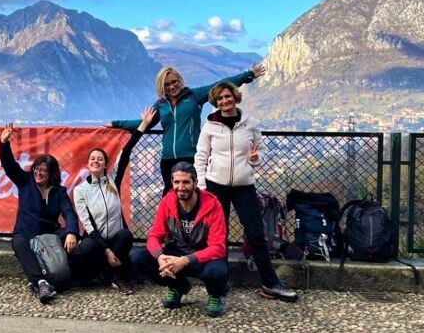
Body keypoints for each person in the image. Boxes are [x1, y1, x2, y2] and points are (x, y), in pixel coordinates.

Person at [194, 82, 298, 302]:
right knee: (217, 236)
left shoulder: (251, 124)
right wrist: (202, 187)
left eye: (228, 96)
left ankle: (270, 284)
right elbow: (201, 157)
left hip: (244, 185)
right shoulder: (210, 126)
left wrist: (255, 159)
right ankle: (219, 281)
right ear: (215, 102)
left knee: (256, 233)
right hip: (215, 185)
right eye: (220, 98)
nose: (225, 101)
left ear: (235, 97)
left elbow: (261, 152)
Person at [112, 63, 266, 191]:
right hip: (167, 159)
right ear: (162, 87)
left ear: (180, 80)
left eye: (174, 81)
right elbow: (143, 123)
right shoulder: (161, 105)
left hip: (190, 156)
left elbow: (220, 85)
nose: (172, 86)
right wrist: (116, 124)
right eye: (167, 84)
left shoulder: (194, 96)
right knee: (170, 198)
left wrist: (248, 75)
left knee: (192, 196)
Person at [73, 106, 157, 295]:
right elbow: (88, 226)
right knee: (87, 247)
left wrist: (143, 125)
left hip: (116, 239)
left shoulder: (113, 179)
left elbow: (126, 150)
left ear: (105, 164)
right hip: (96, 240)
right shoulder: (80, 190)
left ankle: (114, 276)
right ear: (87, 164)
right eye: (92, 159)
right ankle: (105, 271)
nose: (96, 161)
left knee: (126, 235)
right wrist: (107, 251)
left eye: (100, 159)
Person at [130, 162, 230, 317]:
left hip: (202, 257)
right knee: (137, 258)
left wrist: (186, 260)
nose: (181, 187)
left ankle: (216, 294)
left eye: (186, 182)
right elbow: (154, 236)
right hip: (175, 253)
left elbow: (218, 247)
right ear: (172, 182)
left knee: (216, 271)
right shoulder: (167, 202)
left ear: (195, 183)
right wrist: (160, 257)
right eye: (177, 182)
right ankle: (178, 286)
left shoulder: (213, 205)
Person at [0, 123, 82, 303]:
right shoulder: (25, 181)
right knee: (18, 243)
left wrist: (71, 233)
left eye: (43, 170)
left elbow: (69, 213)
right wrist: (4, 143)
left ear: (52, 173)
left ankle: (68, 276)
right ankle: (41, 282)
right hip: (26, 231)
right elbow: (9, 165)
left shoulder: (59, 191)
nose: (38, 173)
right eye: (36, 169)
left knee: (75, 241)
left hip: (49, 233)